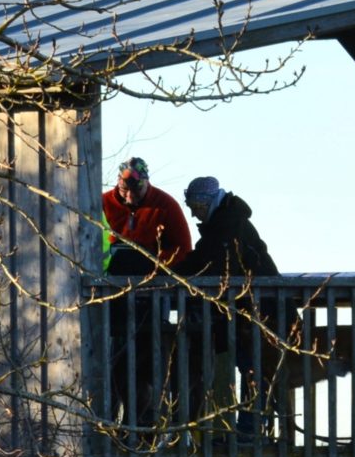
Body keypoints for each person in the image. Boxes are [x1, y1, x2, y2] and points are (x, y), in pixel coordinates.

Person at [175, 176, 281, 436]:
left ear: (206, 202)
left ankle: (251, 427)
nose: (193, 214)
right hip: (251, 308)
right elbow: (202, 259)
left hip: (261, 308)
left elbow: (220, 268)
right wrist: (171, 272)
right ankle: (252, 426)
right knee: (251, 364)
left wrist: (179, 276)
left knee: (253, 365)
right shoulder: (222, 223)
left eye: (195, 207)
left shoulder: (227, 225)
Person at [99, 158, 191, 429]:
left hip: (152, 295)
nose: (129, 196)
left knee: (146, 359)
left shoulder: (165, 205)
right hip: (111, 295)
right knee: (109, 359)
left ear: (146, 183)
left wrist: (155, 264)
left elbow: (184, 248)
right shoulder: (102, 204)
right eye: (124, 189)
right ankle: (107, 421)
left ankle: (144, 421)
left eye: (136, 190)